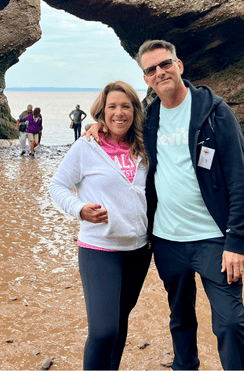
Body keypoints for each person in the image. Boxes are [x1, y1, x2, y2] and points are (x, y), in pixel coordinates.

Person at [86, 40, 244, 370]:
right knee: (180, 319)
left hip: (215, 239)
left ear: (179, 66)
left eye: (165, 64)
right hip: (167, 240)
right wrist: (98, 127)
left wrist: (237, 241)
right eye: (151, 69)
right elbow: (120, 134)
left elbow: (240, 180)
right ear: (146, 78)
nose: (160, 72)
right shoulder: (148, 119)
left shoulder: (215, 112)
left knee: (230, 324)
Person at [50, 81, 151, 371]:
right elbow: (57, 185)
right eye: (112, 107)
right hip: (100, 249)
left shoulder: (144, 145)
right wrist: (79, 209)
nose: (119, 113)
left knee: (119, 324)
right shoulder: (87, 146)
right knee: (103, 330)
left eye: (126, 106)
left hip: (139, 251)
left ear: (135, 110)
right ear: (101, 112)